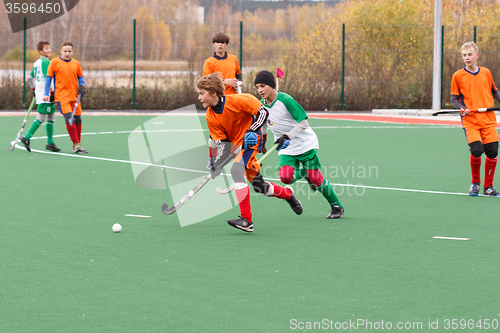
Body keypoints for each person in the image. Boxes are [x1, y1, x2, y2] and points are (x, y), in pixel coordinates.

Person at [197, 72, 303, 232]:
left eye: (201, 94)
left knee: (236, 170)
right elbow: (224, 144)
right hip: (237, 147)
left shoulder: (239, 100)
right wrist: (217, 164)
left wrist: (251, 130)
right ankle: (287, 194)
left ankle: (246, 220)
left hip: (253, 140)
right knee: (260, 186)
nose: (199, 98)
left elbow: (262, 113)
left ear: (213, 93)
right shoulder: (211, 117)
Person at [254, 70, 345, 218]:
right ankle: (304, 173)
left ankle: (337, 206)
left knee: (316, 178)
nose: (260, 90)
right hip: (285, 146)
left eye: (263, 86)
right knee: (285, 178)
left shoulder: (285, 99)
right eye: (257, 87)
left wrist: (287, 136)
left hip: (304, 143)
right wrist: (262, 143)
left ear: (271, 85)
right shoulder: (260, 106)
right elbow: (263, 125)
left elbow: (303, 123)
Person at [451, 41, 500, 196]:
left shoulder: (486, 72)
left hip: (488, 120)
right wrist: (461, 108)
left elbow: (495, 92)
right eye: (464, 55)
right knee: (477, 150)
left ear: (477, 56)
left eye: (470, 54)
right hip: (470, 121)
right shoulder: (457, 76)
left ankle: (488, 187)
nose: (467, 58)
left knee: (492, 152)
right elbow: (454, 98)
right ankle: (475, 184)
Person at [43, 41, 87, 154]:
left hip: (75, 96)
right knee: (69, 119)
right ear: (61, 51)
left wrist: (82, 85)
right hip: (62, 97)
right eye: (65, 51)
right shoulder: (54, 62)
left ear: (72, 52)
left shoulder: (76, 63)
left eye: (69, 51)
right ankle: (76, 144)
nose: (67, 53)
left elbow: (80, 76)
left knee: (78, 120)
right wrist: (46, 93)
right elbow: (48, 78)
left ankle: (77, 144)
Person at [20, 41, 60, 152]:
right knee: (42, 116)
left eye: (50, 48)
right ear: (40, 51)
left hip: (40, 93)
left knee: (51, 116)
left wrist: (34, 89)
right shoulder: (46, 62)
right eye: (46, 48)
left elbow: (29, 77)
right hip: (46, 94)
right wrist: (51, 92)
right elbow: (49, 77)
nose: (49, 50)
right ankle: (27, 137)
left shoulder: (37, 62)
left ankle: (50, 143)